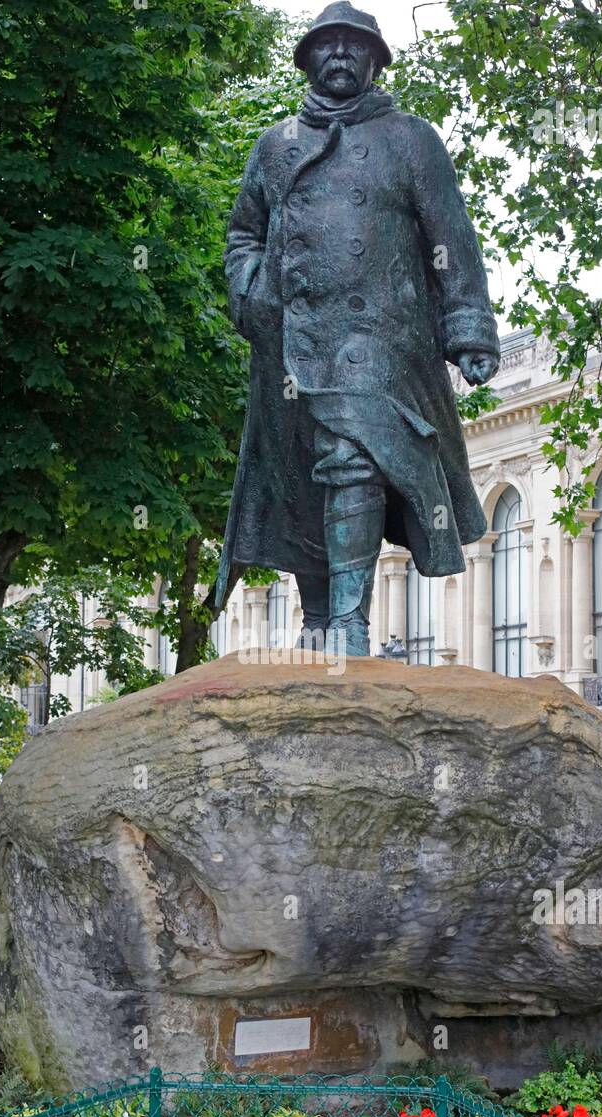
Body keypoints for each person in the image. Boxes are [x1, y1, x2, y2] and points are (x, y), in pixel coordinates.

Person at [216, 2, 500, 656]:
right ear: (308, 58)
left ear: (375, 60)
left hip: (383, 341)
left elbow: (450, 242)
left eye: (355, 46)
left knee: (355, 459)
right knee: (303, 479)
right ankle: (319, 619)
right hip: (289, 339)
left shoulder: (411, 140)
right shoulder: (276, 145)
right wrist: (251, 290)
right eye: (328, 45)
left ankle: (349, 618)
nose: (341, 55)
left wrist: (469, 330)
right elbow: (242, 235)